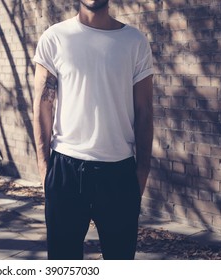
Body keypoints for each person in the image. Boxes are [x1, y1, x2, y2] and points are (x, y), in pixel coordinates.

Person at [32, 0, 154, 260]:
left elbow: (144, 111)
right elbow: (43, 108)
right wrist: (45, 170)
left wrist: (142, 172)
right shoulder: (55, 38)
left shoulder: (135, 41)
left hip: (119, 174)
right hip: (66, 170)